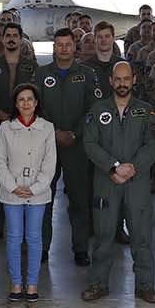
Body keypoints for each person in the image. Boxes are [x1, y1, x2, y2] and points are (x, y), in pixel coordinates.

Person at [80, 61, 155, 302]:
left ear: (134, 80)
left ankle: (145, 285)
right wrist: (114, 167)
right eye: (118, 79)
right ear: (111, 81)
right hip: (107, 182)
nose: (122, 83)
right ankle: (98, 283)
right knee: (103, 236)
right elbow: (90, 143)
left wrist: (132, 167)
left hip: (137, 183)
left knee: (141, 236)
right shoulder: (97, 110)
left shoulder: (146, 111)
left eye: (126, 79)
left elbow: (153, 144)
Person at [36, 28, 101, 266]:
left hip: (77, 146)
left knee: (79, 200)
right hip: (48, 146)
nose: (63, 49)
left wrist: (75, 133)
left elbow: (93, 110)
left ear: (75, 47)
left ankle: (81, 248)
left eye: (67, 44)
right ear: (54, 47)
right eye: (59, 44)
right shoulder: (42, 74)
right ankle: (41, 248)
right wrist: (54, 133)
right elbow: (35, 108)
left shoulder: (87, 74)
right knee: (44, 199)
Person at [0, 82, 56, 302]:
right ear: (16, 104)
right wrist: (13, 186)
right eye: (21, 100)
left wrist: (34, 188)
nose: (26, 103)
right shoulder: (5, 128)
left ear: (36, 103)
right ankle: (16, 283)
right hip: (12, 194)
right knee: (13, 237)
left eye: (30, 99)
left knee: (34, 237)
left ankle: (32, 284)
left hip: (38, 194)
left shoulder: (47, 128)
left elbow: (50, 165)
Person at [0, 23, 38, 241]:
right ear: (2, 40)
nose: (12, 39)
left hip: (25, 128)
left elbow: (36, 95)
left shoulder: (31, 66)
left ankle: (22, 230)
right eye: (8, 36)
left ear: (21, 40)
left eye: (15, 35)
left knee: (24, 177)